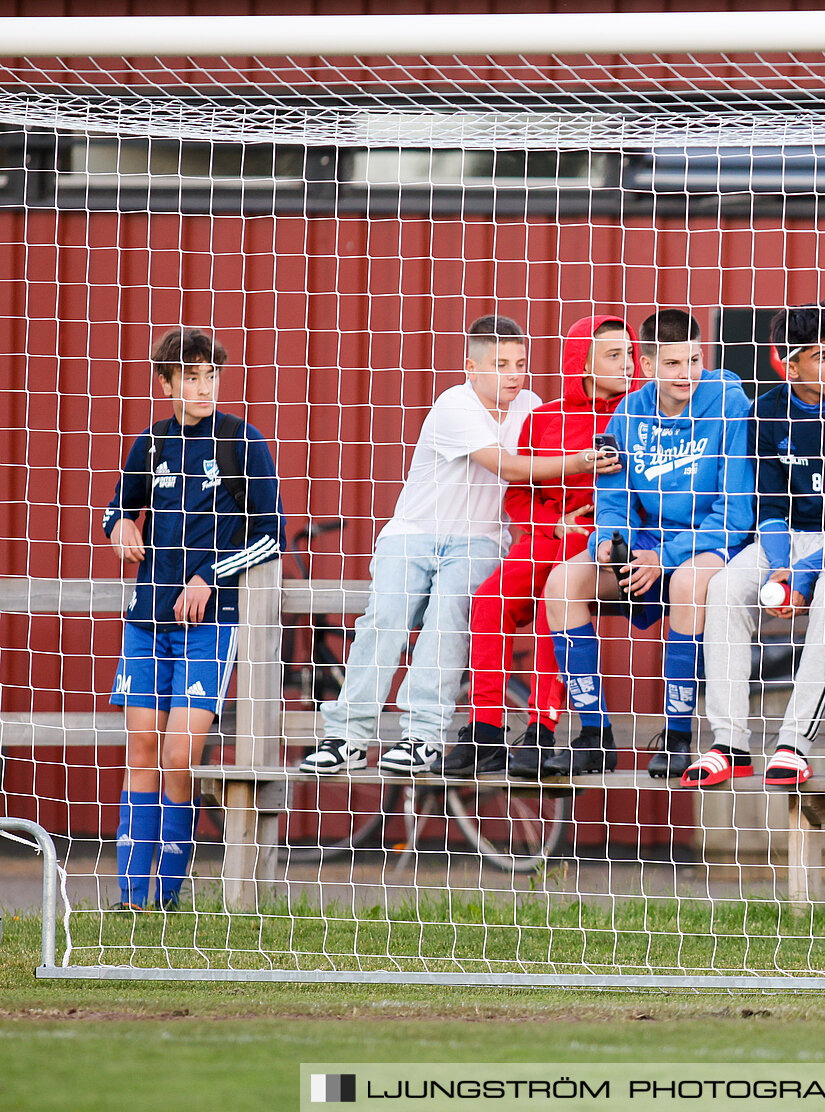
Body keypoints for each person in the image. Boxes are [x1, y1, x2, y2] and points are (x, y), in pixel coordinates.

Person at [299, 316, 599, 775]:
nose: (514, 374)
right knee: (384, 620)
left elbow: (537, 487)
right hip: (414, 532)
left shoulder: (534, 408)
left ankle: (423, 738)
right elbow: (512, 469)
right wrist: (582, 459)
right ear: (471, 368)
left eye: (520, 363)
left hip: (479, 540)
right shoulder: (453, 405)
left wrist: (554, 520)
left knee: (447, 623)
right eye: (500, 364)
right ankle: (348, 738)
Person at [102, 327, 284, 909]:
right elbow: (116, 506)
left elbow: (272, 534)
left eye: (211, 375)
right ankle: (133, 898)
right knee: (140, 747)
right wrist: (119, 527)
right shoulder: (150, 444)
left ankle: (169, 891)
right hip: (146, 618)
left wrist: (211, 576)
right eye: (190, 376)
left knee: (179, 754)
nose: (203, 386)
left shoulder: (242, 442)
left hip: (211, 621)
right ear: (166, 383)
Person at [688, 303, 825, 788]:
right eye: (821, 355)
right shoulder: (765, 411)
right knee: (723, 590)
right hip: (787, 538)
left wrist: (803, 575)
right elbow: (770, 505)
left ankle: (793, 744)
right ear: (789, 362)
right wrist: (784, 566)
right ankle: (729, 743)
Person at [540, 308, 754, 780]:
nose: (687, 374)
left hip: (705, 547)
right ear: (649, 366)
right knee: (561, 583)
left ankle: (678, 736)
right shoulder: (628, 411)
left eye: (695, 360)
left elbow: (736, 515)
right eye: (674, 364)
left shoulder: (729, 405)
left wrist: (667, 557)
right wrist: (610, 542)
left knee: (688, 584)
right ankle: (594, 736)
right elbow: (614, 499)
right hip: (643, 549)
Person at [444, 314, 640, 779]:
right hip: (545, 536)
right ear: (583, 363)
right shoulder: (544, 417)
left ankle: (540, 728)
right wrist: (554, 525)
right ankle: (485, 732)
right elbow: (517, 490)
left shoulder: (642, 412)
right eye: (614, 355)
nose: (627, 364)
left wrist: (590, 528)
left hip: (599, 544)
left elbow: (644, 489)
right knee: (489, 601)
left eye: (630, 353)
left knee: (557, 594)